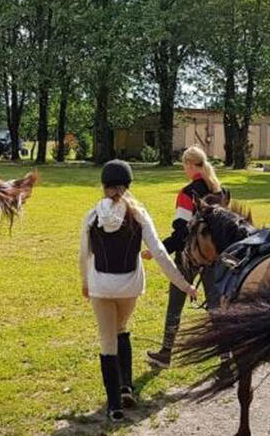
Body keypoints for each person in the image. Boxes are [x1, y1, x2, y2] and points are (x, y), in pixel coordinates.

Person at [80, 160, 198, 421]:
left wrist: (85, 284)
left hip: (100, 286)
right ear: (128, 185)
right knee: (121, 328)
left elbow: (83, 255)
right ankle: (126, 386)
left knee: (107, 341)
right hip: (129, 286)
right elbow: (160, 253)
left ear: (103, 186)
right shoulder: (139, 214)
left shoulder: (92, 216)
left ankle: (114, 407)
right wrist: (185, 285)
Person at [145, 145, 227, 367]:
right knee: (216, 307)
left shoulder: (186, 193)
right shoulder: (220, 192)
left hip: (189, 257)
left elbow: (180, 233)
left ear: (191, 165)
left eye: (184, 165)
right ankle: (226, 358)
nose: (184, 169)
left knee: (175, 304)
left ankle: (166, 353)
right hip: (214, 257)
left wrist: (158, 250)